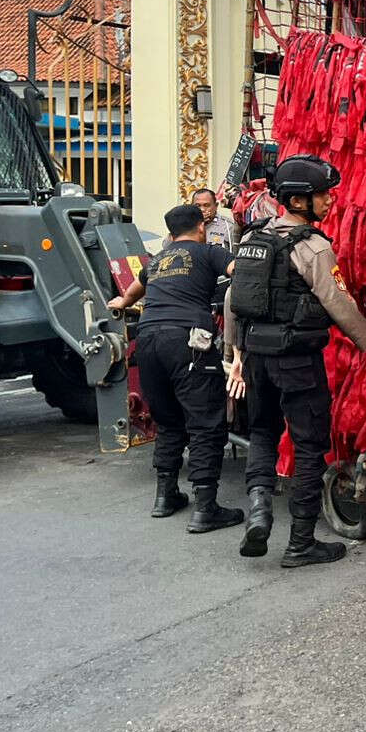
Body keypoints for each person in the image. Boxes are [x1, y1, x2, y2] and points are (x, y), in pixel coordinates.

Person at [224, 155, 366, 567]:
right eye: (322, 194)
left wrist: (235, 354)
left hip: (256, 359)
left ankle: (259, 512)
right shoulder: (313, 247)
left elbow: (233, 300)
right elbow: (338, 304)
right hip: (296, 362)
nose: (329, 200)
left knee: (263, 435)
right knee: (309, 446)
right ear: (300, 201)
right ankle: (300, 543)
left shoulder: (253, 241)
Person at [109, 203, 242, 533]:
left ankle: (165, 496)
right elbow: (238, 269)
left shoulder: (158, 259)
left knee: (168, 420)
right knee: (205, 421)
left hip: (149, 341)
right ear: (200, 227)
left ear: (170, 233)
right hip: (187, 340)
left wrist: (123, 302)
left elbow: (138, 285)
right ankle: (206, 508)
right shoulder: (207, 251)